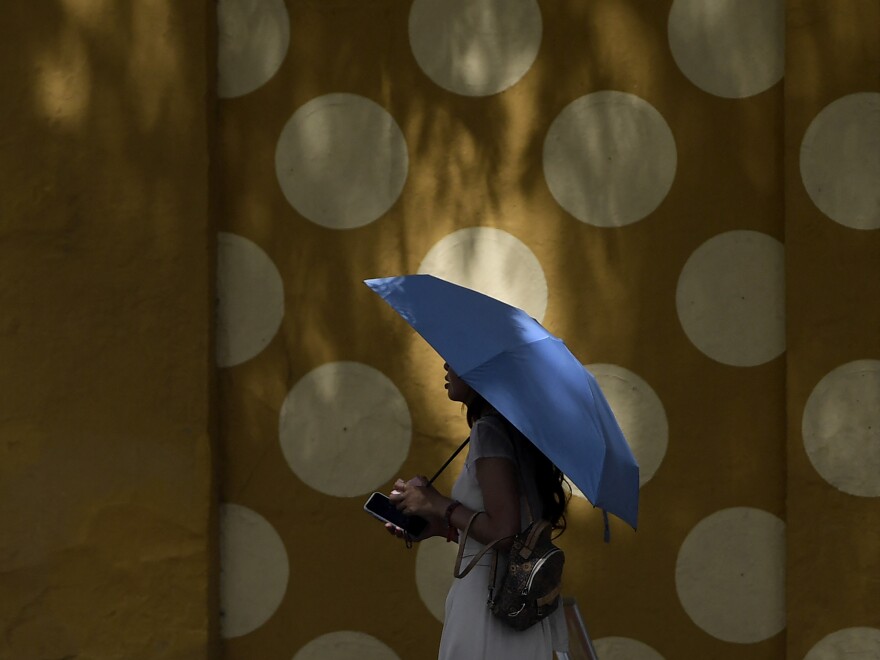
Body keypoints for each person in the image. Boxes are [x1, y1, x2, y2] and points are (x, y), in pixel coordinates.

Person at [387, 363, 570, 659]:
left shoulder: (490, 430)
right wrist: (440, 526)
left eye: (454, 358)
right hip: (517, 607)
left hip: (489, 604)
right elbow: (511, 532)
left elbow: (504, 534)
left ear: (482, 370)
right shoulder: (517, 432)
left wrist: (435, 502)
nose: (446, 365)